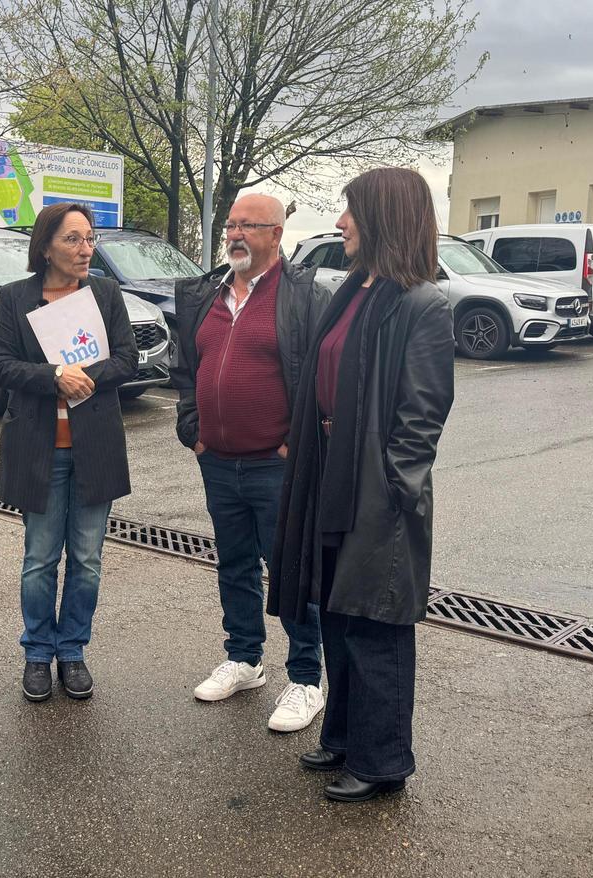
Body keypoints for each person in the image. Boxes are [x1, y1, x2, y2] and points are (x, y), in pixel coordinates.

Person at [268, 168, 455, 802]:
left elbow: (421, 416)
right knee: (340, 615)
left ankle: (382, 762)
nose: (341, 222)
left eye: (350, 211)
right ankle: (345, 737)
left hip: (376, 490)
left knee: (377, 624)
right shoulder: (355, 290)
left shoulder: (420, 303)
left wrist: (395, 490)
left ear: (382, 218)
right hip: (331, 473)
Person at [172, 194, 330, 732]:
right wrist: (193, 431)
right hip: (216, 460)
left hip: (275, 463)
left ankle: (307, 679)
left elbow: (318, 377)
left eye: (248, 226)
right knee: (234, 563)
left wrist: (293, 442)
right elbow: (185, 368)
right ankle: (245, 659)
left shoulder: (302, 294)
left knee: (290, 569)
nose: (235, 235)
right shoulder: (204, 294)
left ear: (277, 233)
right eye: (231, 225)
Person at [0, 202, 137, 702]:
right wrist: (53, 375)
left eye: (90, 238)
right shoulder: (16, 298)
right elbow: (2, 366)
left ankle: (72, 650)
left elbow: (126, 358)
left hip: (95, 447)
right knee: (39, 559)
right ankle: (37, 653)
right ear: (47, 245)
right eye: (73, 239)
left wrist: (85, 377)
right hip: (40, 448)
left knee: (88, 559)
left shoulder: (105, 293)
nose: (85, 248)